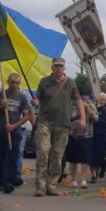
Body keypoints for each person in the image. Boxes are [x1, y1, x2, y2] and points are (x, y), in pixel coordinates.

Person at [33, 58, 85, 197]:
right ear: (52, 68)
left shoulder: (70, 82)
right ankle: (41, 186)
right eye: (56, 66)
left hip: (63, 123)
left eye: (61, 66)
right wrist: (36, 101)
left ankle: (51, 185)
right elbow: (38, 98)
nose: (58, 69)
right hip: (45, 122)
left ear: (64, 68)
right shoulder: (44, 82)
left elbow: (78, 100)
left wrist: (83, 119)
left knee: (57, 156)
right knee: (43, 151)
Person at [0, 73, 33, 194]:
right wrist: (0, 107)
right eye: (12, 82)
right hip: (1, 131)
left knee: (13, 157)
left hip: (15, 131)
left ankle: (9, 180)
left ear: (20, 83)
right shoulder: (0, 95)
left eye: (17, 82)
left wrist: (14, 126)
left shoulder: (22, 97)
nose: (14, 85)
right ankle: (1, 181)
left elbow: (26, 115)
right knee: (0, 157)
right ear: (8, 82)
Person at [65, 95, 96, 188]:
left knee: (85, 160)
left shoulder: (91, 105)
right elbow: (67, 119)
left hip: (87, 136)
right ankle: (74, 180)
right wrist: (80, 112)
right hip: (73, 136)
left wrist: (88, 109)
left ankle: (83, 180)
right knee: (72, 159)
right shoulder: (70, 106)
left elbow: (95, 119)